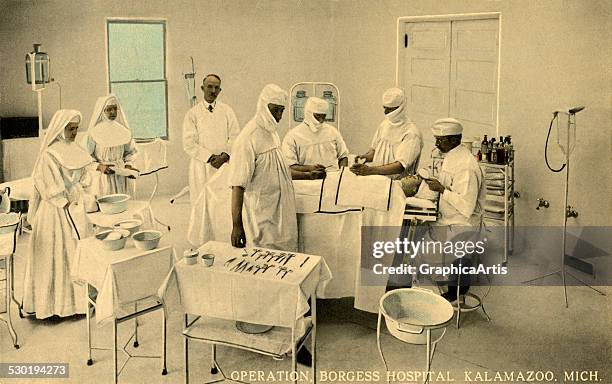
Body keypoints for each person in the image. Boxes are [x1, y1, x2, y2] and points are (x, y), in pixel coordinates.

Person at [228, 84, 312, 366]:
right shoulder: (248, 138)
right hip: (261, 214)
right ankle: (276, 331)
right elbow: (237, 185)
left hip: (282, 210)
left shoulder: (272, 132)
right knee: (267, 268)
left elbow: (278, 168)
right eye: (274, 110)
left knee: (287, 265)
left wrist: (306, 173)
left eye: (281, 111)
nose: (277, 116)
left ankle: (284, 323)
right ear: (263, 106)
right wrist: (236, 225)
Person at [22, 110, 93, 319]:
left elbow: (85, 175)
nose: (74, 133)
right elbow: (47, 186)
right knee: (58, 254)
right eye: (70, 129)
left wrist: (81, 193)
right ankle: (54, 306)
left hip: (74, 204)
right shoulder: (49, 155)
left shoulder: (76, 149)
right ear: (60, 129)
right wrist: (66, 201)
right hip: (55, 210)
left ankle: (80, 303)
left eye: (76, 129)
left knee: (78, 250)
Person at [420, 118, 487, 301]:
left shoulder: (466, 165)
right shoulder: (452, 157)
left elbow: (466, 205)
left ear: (453, 139)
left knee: (426, 250)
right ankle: (444, 283)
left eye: (440, 140)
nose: (436, 143)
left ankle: (455, 293)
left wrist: (441, 189)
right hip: (449, 219)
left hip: (461, 224)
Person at [183, 74, 240, 205]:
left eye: (216, 88)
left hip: (224, 165)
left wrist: (225, 156)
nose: (213, 91)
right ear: (202, 88)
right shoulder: (192, 114)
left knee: (222, 203)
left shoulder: (227, 111)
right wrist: (209, 157)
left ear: (220, 90)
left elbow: (235, 136)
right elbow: (189, 144)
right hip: (201, 166)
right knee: (201, 203)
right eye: (209, 87)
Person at [350, 87, 422, 179]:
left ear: (400, 108)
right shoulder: (385, 124)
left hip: (397, 184)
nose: (385, 112)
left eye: (390, 109)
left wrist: (370, 170)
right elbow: (374, 151)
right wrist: (364, 158)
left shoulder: (411, 133)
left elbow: (400, 166)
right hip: (378, 179)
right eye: (384, 108)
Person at [282, 96, 349, 180]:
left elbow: (343, 156)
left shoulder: (332, 132)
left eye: (323, 116)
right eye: (317, 116)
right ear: (308, 113)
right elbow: (289, 166)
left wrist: (342, 176)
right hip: (304, 181)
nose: (320, 120)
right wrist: (310, 169)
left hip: (332, 180)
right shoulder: (293, 136)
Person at [85, 94, 138, 197]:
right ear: (102, 111)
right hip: (103, 176)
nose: (113, 112)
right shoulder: (94, 132)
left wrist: (128, 164)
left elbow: (130, 151)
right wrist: (99, 166)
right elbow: (86, 157)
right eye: (109, 109)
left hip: (121, 174)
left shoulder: (123, 130)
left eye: (115, 109)